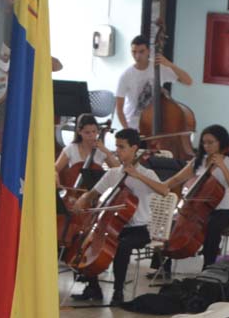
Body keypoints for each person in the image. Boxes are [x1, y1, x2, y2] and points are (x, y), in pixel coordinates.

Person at [70, 129, 169, 305]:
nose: (117, 151)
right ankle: (93, 288)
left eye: (122, 147)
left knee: (123, 246)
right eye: (116, 146)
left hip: (139, 229)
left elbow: (164, 191)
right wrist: (81, 201)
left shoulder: (147, 174)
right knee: (82, 241)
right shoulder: (114, 173)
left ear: (134, 148)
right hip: (113, 226)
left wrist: (137, 175)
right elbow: (93, 193)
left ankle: (118, 291)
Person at [162, 125, 229, 269]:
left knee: (212, 226)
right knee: (171, 222)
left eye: (211, 142)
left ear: (221, 142)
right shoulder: (198, 161)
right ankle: (164, 267)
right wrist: (160, 186)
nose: (207, 146)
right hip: (197, 210)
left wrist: (222, 167)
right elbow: (176, 179)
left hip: (223, 212)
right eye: (204, 143)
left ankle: (208, 267)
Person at [115, 35, 192, 131]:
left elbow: (188, 81)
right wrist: (127, 130)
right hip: (133, 125)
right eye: (134, 52)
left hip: (155, 123)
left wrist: (169, 64)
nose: (137, 56)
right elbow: (119, 109)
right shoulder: (125, 75)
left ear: (148, 51)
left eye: (141, 51)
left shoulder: (159, 68)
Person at [55, 114, 119, 188]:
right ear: (79, 132)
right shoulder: (71, 148)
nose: (91, 135)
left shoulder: (101, 150)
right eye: (87, 132)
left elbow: (117, 170)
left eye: (94, 131)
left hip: (94, 192)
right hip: (72, 190)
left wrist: (105, 150)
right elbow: (55, 169)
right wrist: (56, 178)